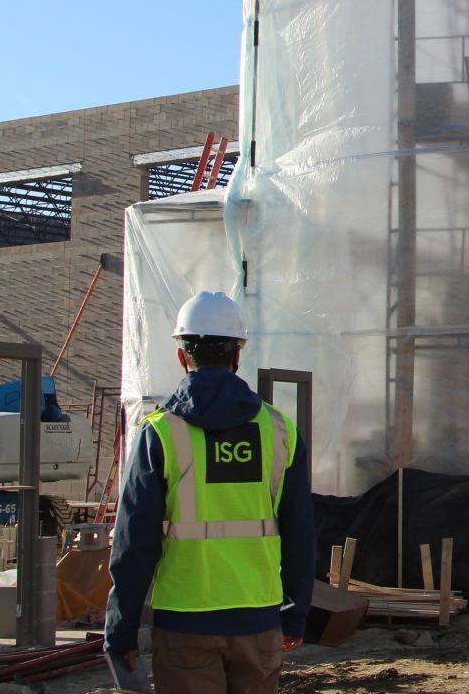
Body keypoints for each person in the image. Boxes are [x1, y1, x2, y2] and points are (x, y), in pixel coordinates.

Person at [105, 291, 314, 694]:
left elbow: (134, 545)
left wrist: (121, 630)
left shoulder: (160, 433)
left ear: (183, 356)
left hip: (185, 622)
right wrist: (294, 614)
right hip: (259, 620)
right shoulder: (280, 431)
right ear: (237, 355)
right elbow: (301, 532)